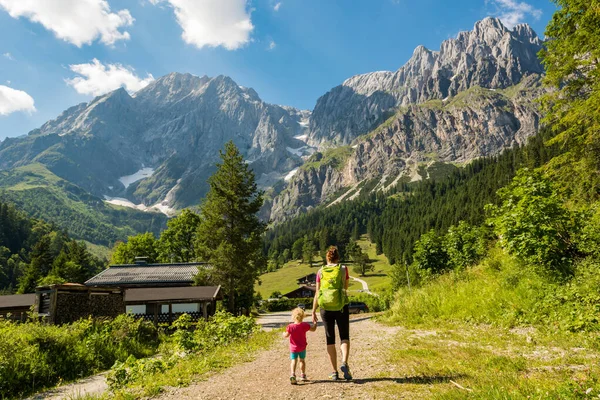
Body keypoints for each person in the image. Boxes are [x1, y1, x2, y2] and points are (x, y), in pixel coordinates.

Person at [311, 246, 353, 381]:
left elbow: (317, 293)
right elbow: (345, 287)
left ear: (326, 257)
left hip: (325, 308)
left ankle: (334, 372)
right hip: (341, 306)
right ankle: (344, 363)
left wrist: (313, 311)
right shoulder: (343, 269)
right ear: (337, 257)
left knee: (330, 339)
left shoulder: (320, 271)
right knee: (344, 336)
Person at [283, 307, 317, 385]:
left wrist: (283, 334)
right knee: (302, 360)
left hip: (293, 348)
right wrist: (315, 323)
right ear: (303, 316)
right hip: (302, 347)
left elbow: (286, 335)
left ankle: (292, 374)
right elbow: (313, 329)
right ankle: (303, 375)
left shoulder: (290, 326)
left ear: (293, 316)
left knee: (293, 360)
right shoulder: (304, 325)